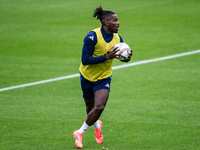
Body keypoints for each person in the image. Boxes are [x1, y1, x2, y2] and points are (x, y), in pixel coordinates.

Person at [73, 6, 132, 149]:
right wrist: (106, 57)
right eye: (115, 20)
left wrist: (126, 58)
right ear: (106, 23)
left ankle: (79, 133)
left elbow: (119, 56)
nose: (118, 23)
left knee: (99, 107)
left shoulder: (118, 38)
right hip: (87, 76)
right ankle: (97, 126)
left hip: (104, 77)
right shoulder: (92, 37)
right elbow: (85, 60)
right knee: (90, 108)